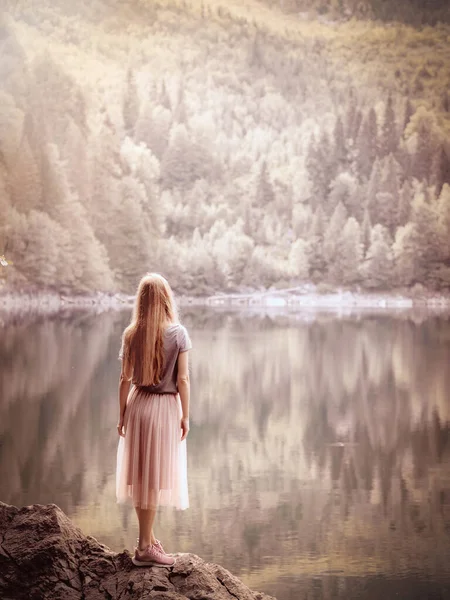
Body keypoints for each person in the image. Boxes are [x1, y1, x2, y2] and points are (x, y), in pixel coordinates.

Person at [115, 273, 191, 567]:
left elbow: (125, 379)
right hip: (164, 408)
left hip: (138, 404)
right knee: (153, 476)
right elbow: (182, 379)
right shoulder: (178, 333)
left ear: (142, 300)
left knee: (141, 475)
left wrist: (121, 415)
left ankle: (147, 539)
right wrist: (186, 415)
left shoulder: (131, 333)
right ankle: (144, 547)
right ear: (165, 298)